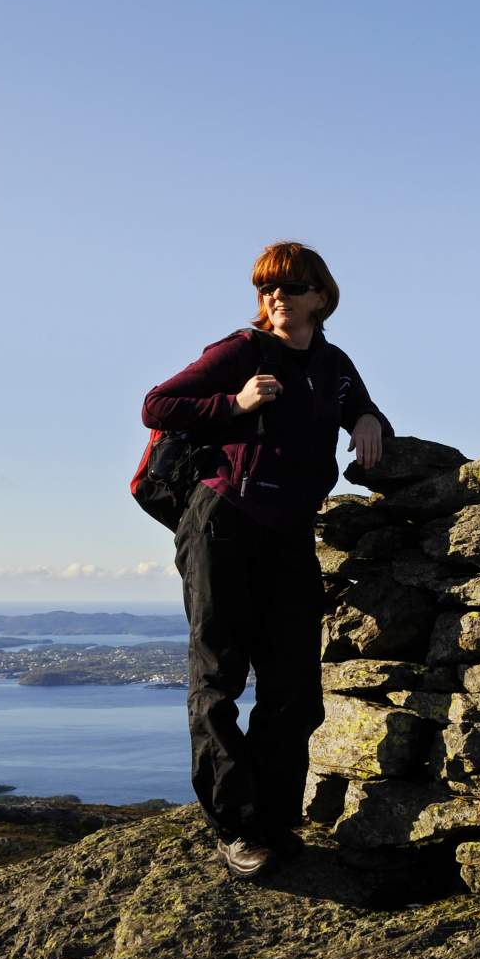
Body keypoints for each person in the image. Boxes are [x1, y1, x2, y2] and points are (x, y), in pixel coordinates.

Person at [142, 241, 392, 879]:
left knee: (295, 690)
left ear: (320, 297)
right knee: (219, 678)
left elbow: (356, 403)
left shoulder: (333, 364)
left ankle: (274, 820)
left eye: (291, 287)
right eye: (268, 288)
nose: (277, 297)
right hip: (221, 524)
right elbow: (157, 404)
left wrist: (367, 418)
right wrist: (235, 405)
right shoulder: (241, 351)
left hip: (288, 533)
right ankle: (237, 828)